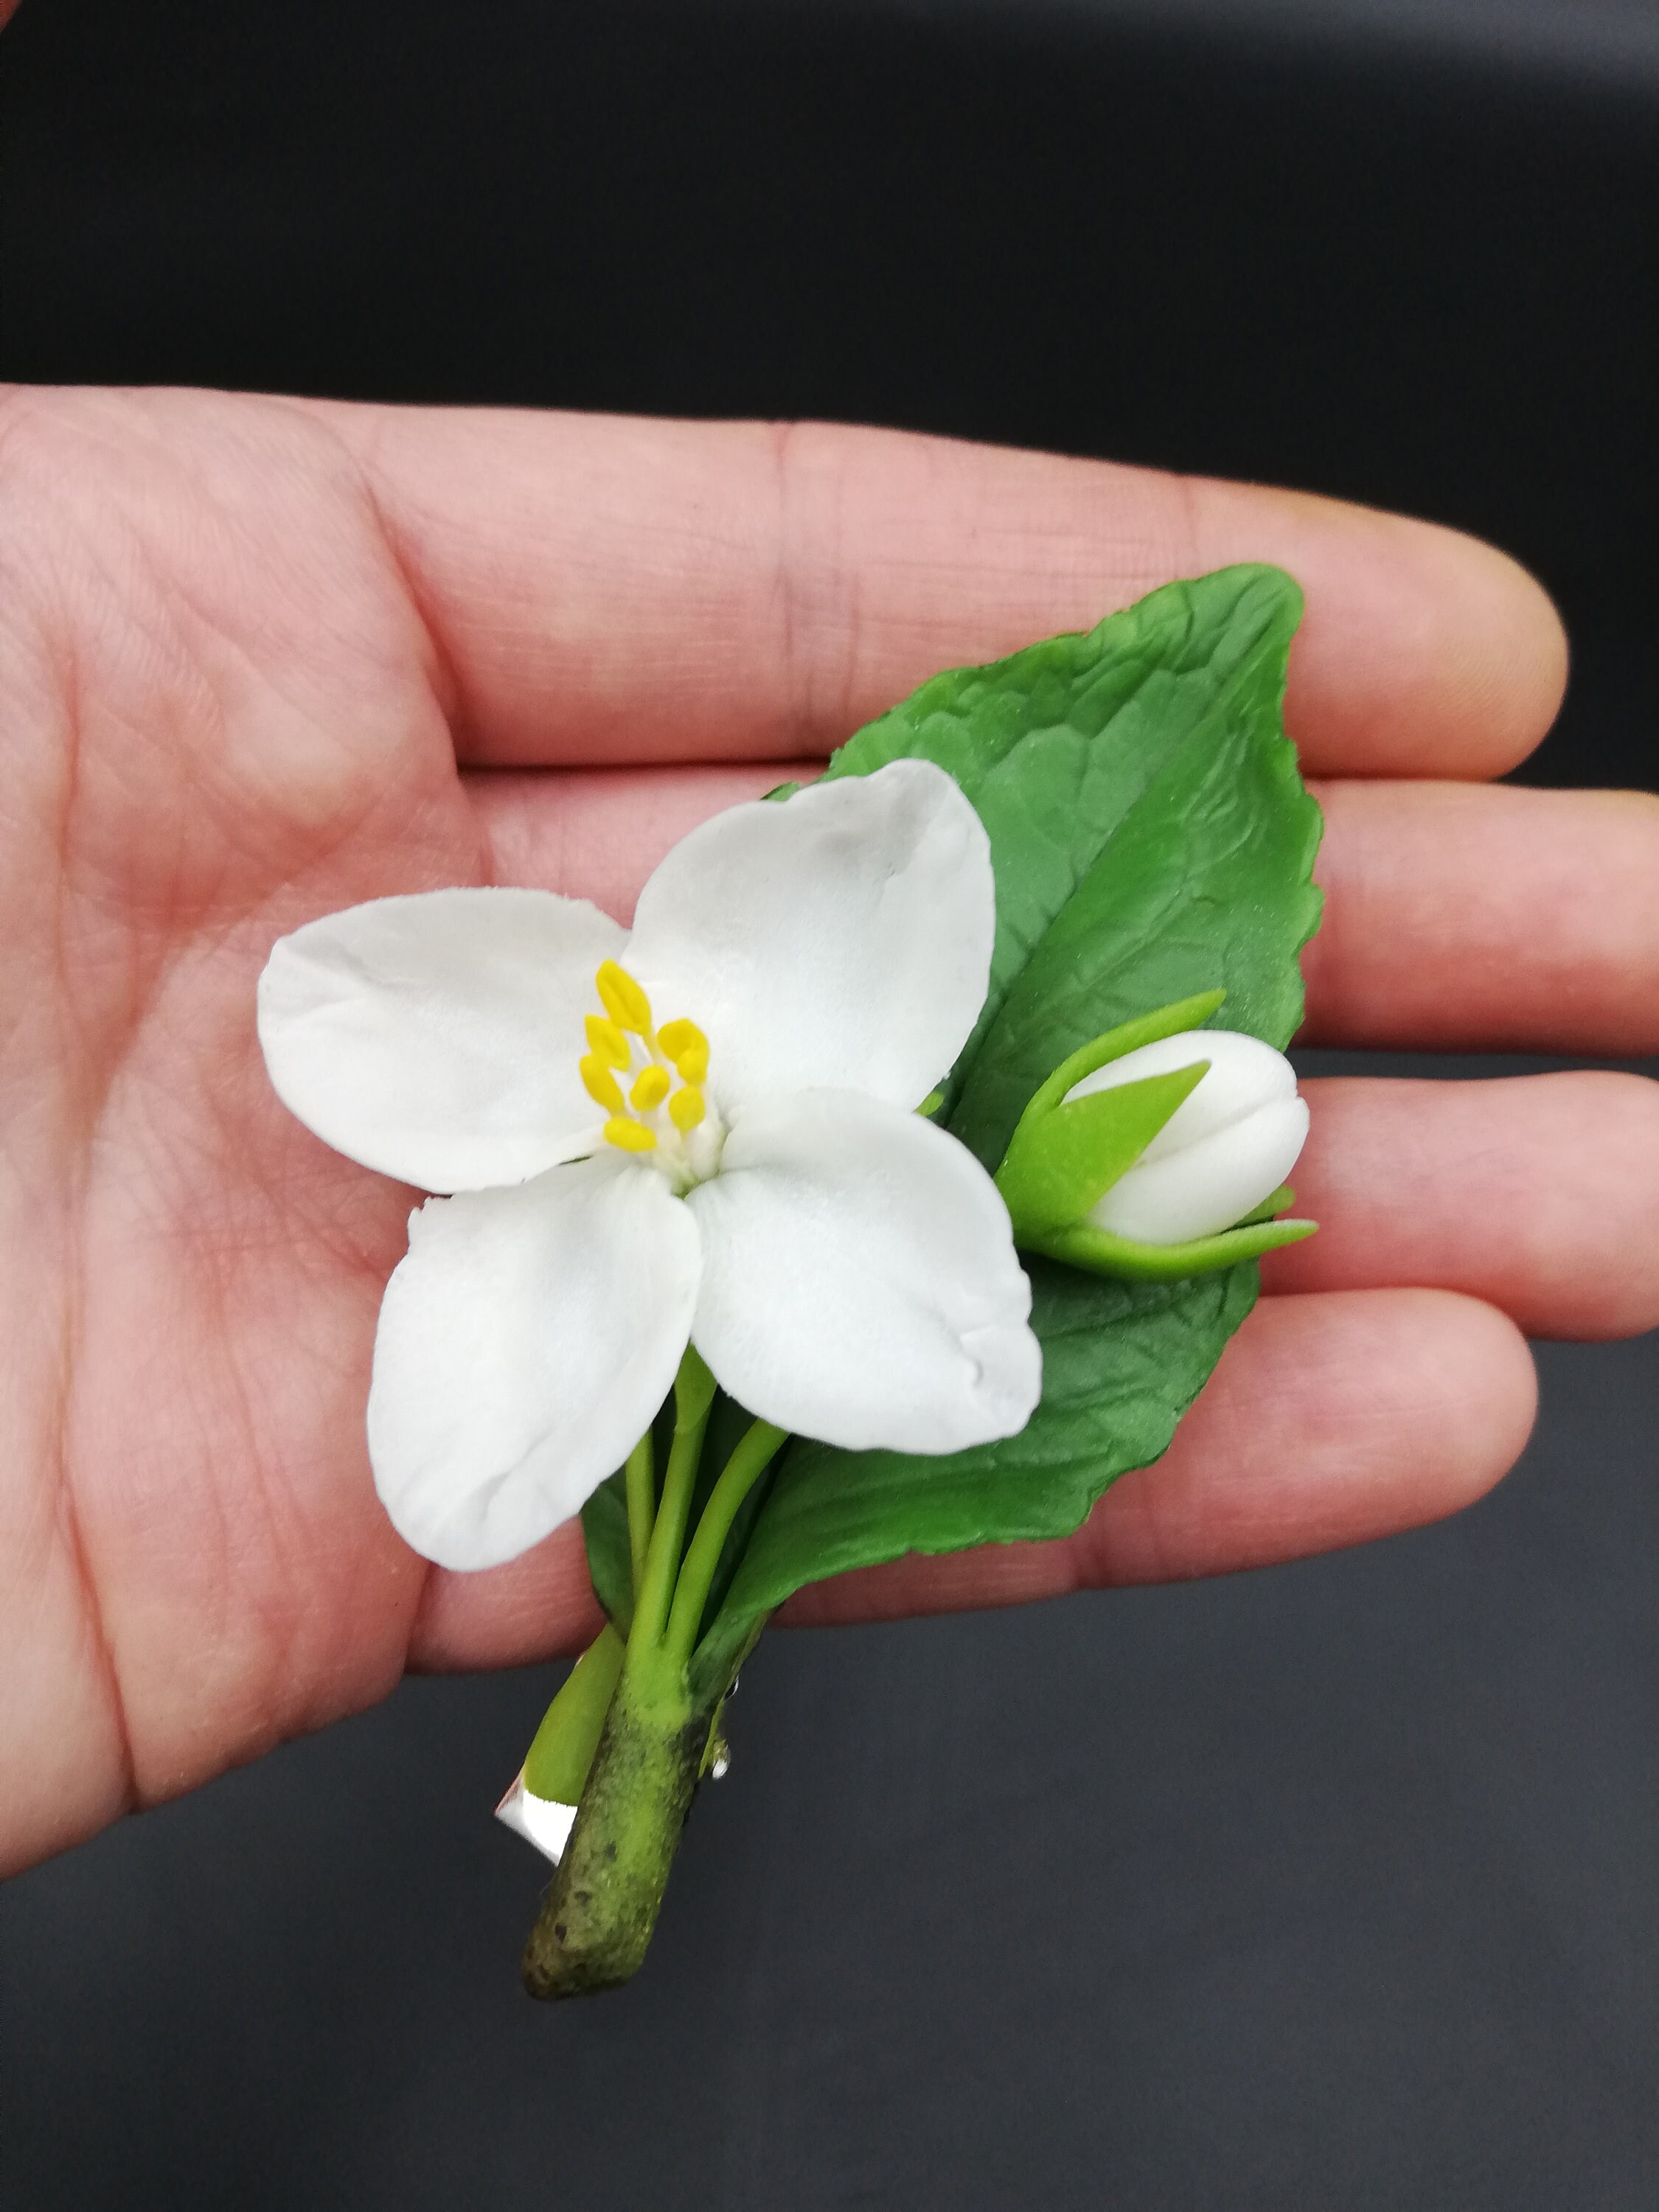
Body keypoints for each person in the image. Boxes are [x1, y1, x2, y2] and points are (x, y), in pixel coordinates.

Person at [1, 385, 1653, 1880]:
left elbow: (898, 883)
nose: (646, 1085)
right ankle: (601, 1830)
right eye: (636, 1084)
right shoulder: (570, 1161)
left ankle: (601, 1832)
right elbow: (345, 1018)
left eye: (657, 1073)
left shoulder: (819, 1106)